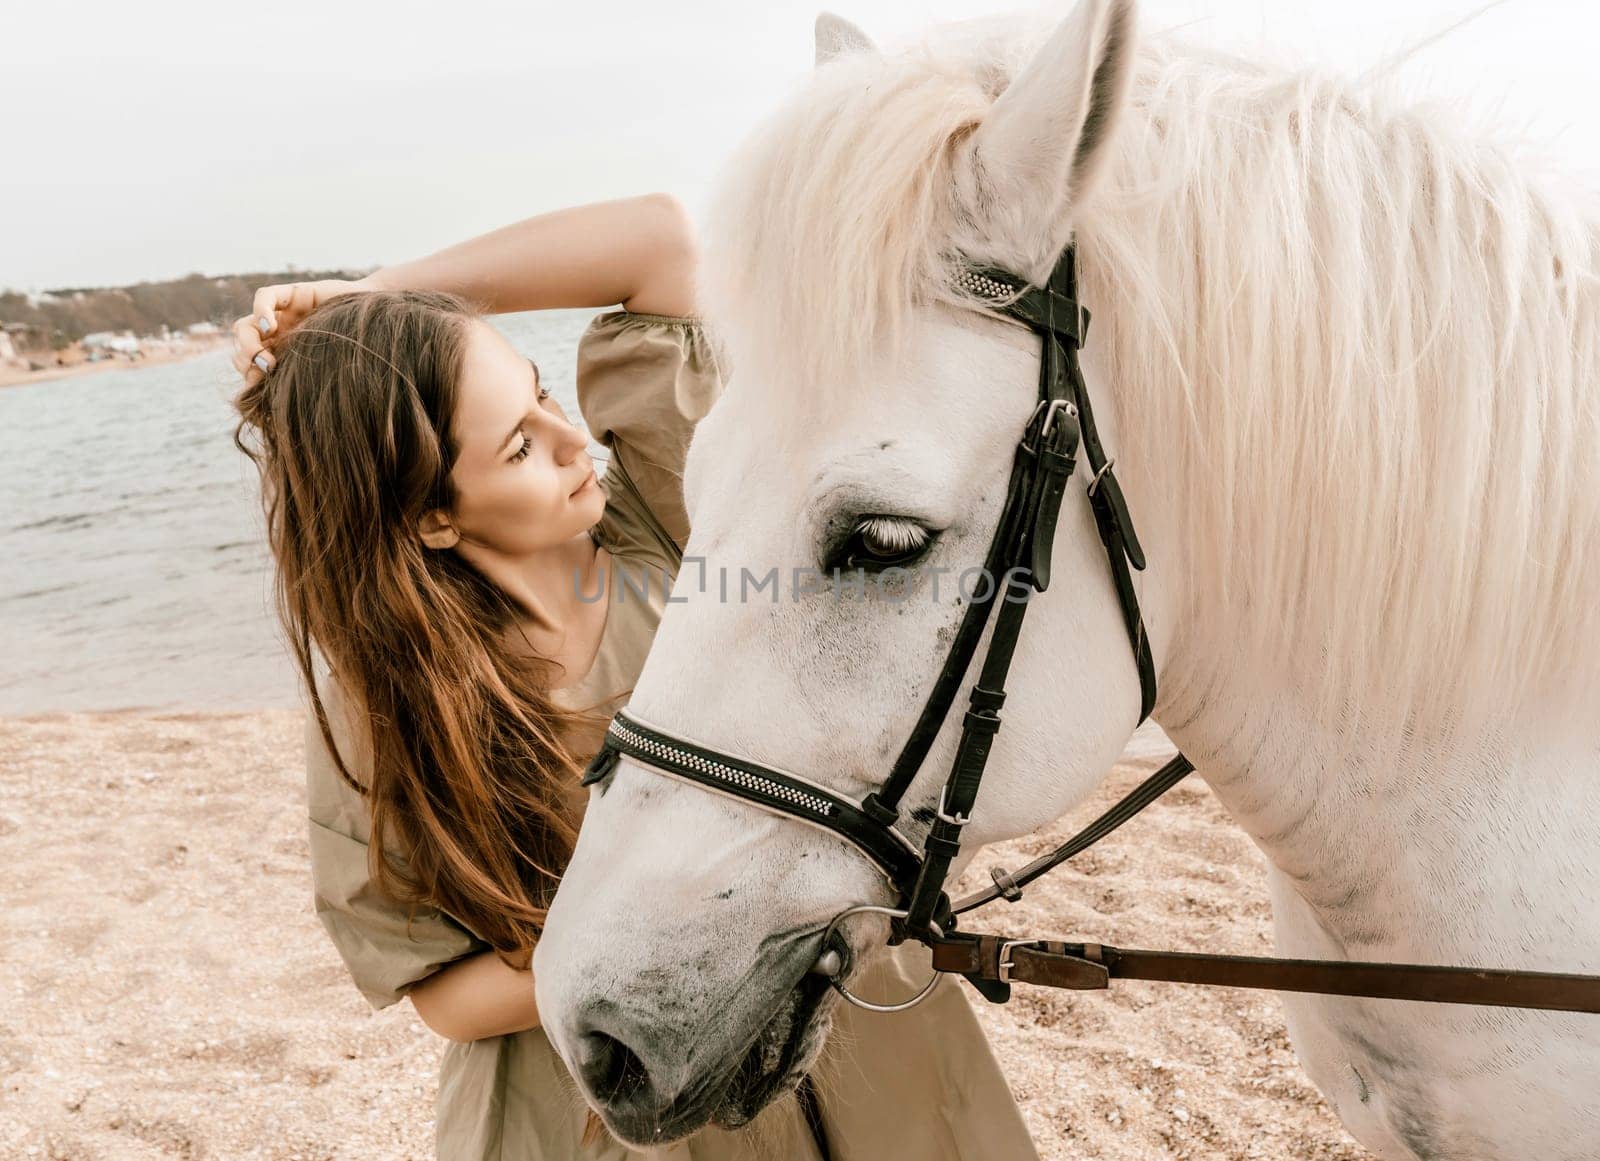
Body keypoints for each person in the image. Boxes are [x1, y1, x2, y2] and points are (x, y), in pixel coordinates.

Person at [231, 194, 1039, 1160]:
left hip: (858, 1041)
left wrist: (369, 297)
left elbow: (658, 241)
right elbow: (443, 992)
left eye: (542, 394)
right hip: (605, 1093)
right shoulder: (390, 701)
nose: (574, 442)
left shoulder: (669, 528)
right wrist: (682, 938)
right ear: (431, 519)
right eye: (521, 446)